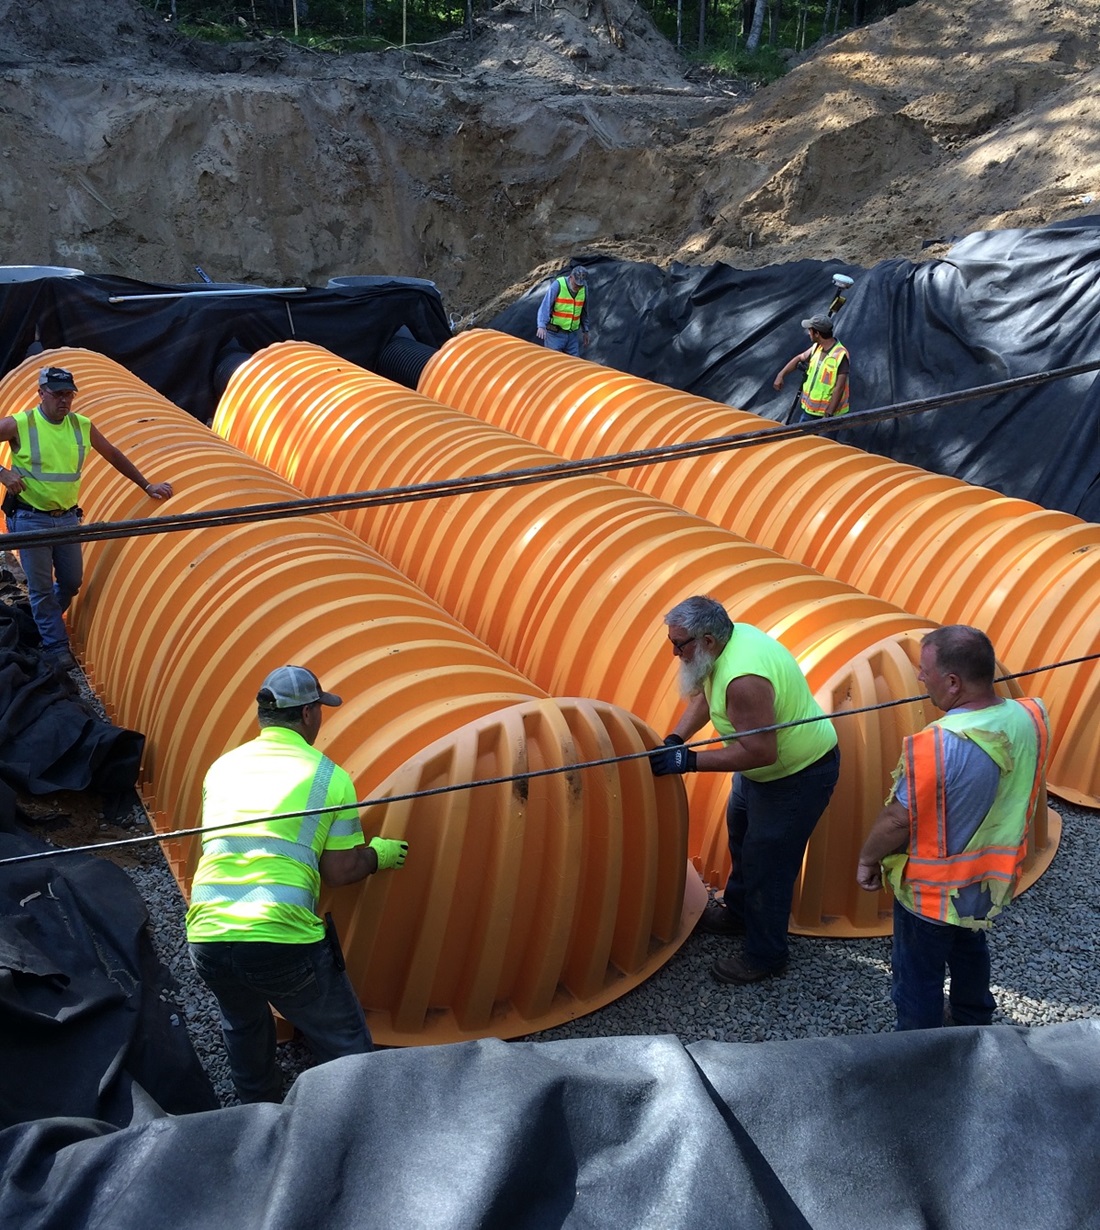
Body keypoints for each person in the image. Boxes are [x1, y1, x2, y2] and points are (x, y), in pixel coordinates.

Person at [186, 665, 410, 1104]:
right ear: (308, 713)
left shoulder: (221, 768)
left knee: (244, 1024)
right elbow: (340, 871)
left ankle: (259, 1116)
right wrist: (378, 855)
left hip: (206, 935)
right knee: (344, 1042)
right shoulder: (328, 777)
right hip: (278, 938)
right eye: (320, 711)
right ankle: (355, 1121)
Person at [856, 626, 1049, 1030]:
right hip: (984, 883)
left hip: (932, 893)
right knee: (969, 950)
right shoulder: (1029, 715)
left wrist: (867, 859)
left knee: (918, 979)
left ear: (953, 682)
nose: (920, 679)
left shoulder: (940, 744)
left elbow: (898, 819)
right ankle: (974, 1022)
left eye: (924, 671)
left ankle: (921, 1051)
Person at [651, 595, 839, 985]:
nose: (674, 652)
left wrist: (688, 762)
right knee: (741, 834)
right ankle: (737, 914)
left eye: (679, 644)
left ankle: (765, 954)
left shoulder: (744, 681)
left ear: (706, 640)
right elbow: (706, 694)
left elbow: (760, 751)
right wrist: (676, 738)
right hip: (764, 776)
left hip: (795, 775)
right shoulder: (730, 642)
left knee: (767, 864)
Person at [0, 366, 173, 671]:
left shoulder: (81, 426)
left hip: (65, 519)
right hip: (29, 517)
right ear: (42, 394)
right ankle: (55, 646)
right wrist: (3, 473)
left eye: (69, 394)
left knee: (71, 581)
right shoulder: (21, 424)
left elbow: (114, 454)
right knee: (40, 587)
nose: (64, 401)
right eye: (57, 394)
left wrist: (147, 484)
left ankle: (44, 619)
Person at [773, 313, 849, 423]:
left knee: (822, 441)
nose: (809, 333)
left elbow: (839, 387)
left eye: (810, 331)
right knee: (804, 439)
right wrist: (781, 374)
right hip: (810, 411)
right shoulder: (816, 348)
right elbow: (799, 358)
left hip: (829, 415)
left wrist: (828, 415)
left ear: (817, 333)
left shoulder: (840, 355)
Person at [535, 265, 591, 356]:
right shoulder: (558, 285)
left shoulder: (584, 289)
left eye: (580, 285)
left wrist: (586, 330)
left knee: (574, 364)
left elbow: (584, 311)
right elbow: (545, 306)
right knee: (553, 362)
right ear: (571, 277)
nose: (578, 287)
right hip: (554, 334)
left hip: (572, 335)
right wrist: (541, 325)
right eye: (576, 284)